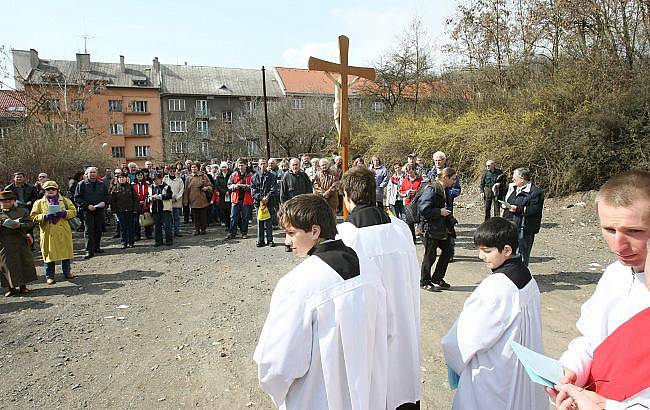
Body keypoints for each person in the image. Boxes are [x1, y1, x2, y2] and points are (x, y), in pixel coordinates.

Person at [253, 194, 389, 409]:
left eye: (291, 233)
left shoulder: (298, 284)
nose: (287, 242)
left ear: (315, 231)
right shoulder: (369, 266)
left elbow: (277, 364)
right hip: (368, 393)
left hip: (319, 398)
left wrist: (278, 393)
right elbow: (384, 331)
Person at [548, 170, 650, 410]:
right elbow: (591, 340)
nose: (619, 245)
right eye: (610, 230)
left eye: (634, 231)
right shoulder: (615, 274)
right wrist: (571, 370)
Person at [337, 167, 421, 409]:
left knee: (374, 386)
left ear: (347, 196)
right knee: (401, 380)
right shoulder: (400, 228)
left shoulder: (345, 236)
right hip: (404, 318)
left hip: (370, 326)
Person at [442, 217, 547, 410]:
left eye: (487, 251)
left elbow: (463, 340)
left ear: (507, 250)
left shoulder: (496, 287)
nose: (481, 256)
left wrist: (454, 361)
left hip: (494, 373)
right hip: (520, 366)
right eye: (480, 249)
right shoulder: (526, 274)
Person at [418, 167, 457, 291]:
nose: (454, 181)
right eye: (453, 178)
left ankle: (437, 278)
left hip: (441, 228)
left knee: (448, 251)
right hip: (430, 228)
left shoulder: (445, 189)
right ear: (445, 177)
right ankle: (425, 281)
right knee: (430, 255)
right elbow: (423, 208)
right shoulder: (432, 189)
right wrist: (439, 212)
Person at [30, 181, 77, 283]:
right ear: (44, 191)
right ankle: (49, 276)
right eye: (48, 189)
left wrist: (64, 213)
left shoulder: (64, 200)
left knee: (65, 254)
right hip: (48, 232)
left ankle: (67, 272)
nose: (51, 191)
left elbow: (74, 211)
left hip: (63, 231)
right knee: (49, 255)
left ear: (57, 190)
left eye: (53, 189)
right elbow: (33, 217)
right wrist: (44, 216)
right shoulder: (38, 203)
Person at [502, 167, 544, 266]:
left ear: (522, 179)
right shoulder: (514, 188)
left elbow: (534, 209)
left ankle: (522, 274)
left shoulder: (536, 192)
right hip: (513, 224)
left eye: (515, 178)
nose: (513, 180)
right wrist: (506, 205)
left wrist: (517, 209)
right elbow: (510, 201)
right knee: (510, 249)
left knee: (523, 252)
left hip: (525, 226)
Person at [0, 190, 37, 296]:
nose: (6, 203)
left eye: (8, 201)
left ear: (13, 201)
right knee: (6, 265)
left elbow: (30, 224)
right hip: (3, 242)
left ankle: (23, 286)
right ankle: (10, 288)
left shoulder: (22, 211)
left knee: (22, 263)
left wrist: (20, 225)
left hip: (19, 240)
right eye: (3, 201)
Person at [74, 166, 109, 259]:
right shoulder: (81, 184)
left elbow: (107, 196)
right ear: (87, 174)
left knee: (98, 229)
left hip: (99, 210)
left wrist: (104, 202)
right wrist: (87, 205)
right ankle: (89, 250)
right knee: (89, 230)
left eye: (94, 172)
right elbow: (77, 198)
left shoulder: (101, 184)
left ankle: (97, 247)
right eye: (91, 172)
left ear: (97, 174)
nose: (93, 174)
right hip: (87, 211)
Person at [251, 158, 277, 247]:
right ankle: (260, 240)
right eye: (261, 164)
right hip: (259, 203)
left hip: (269, 202)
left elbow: (274, 188)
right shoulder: (254, 177)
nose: (263, 165)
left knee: (269, 222)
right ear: (258, 165)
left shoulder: (272, 176)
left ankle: (270, 240)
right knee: (260, 222)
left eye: (264, 163)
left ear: (267, 165)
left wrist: (267, 197)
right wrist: (261, 198)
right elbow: (253, 191)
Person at [110, 173, 138, 249]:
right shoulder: (115, 188)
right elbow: (112, 201)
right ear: (118, 179)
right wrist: (114, 211)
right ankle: (124, 242)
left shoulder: (130, 187)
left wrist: (135, 209)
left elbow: (135, 199)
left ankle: (131, 242)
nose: (122, 179)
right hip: (120, 211)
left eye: (123, 177)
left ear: (126, 178)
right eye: (120, 178)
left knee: (130, 227)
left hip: (130, 210)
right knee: (122, 227)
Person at [183, 162, 212, 235]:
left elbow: (210, 186)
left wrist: (207, 188)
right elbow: (186, 190)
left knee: (203, 215)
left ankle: (203, 229)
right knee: (195, 216)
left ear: (198, 168)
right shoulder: (188, 178)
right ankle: (197, 229)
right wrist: (186, 200)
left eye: (195, 167)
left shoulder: (203, 176)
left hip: (203, 199)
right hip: (193, 199)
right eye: (192, 167)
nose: (193, 169)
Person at [227, 160, 253, 240]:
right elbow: (229, 185)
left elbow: (253, 186)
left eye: (242, 165)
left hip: (246, 199)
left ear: (246, 165)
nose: (241, 167)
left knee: (245, 217)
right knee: (233, 217)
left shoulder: (250, 175)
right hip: (236, 199)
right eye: (239, 165)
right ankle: (232, 233)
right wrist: (235, 186)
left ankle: (244, 232)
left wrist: (245, 186)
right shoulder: (234, 174)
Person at [148, 172, 173, 247]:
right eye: (153, 180)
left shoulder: (166, 186)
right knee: (157, 227)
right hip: (155, 209)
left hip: (165, 209)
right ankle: (158, 241)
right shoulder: (150, 187)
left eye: (156, 179)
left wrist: (159, 196)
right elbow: (148, 196)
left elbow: (169, 195)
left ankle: (169, 241)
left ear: (161, 179)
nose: (155, 181)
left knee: (167, 226)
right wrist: (150, 199)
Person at [400, 164, 423, 243]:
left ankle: (424, 239)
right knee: (409, 222)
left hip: (418, 203)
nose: (409, 173)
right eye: (407, 171)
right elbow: (400, 191)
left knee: (420, 221)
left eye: (411, 171)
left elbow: (424, 190)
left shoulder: (420, 179)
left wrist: (416, 192)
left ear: (414, 170)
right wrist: (406, 192)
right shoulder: (405, 180)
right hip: (408, 203)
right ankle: (412, 240)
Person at [163, 167, 184, 237]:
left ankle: (177, 231)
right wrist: (169, 197)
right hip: (168, 200)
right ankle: (170, 232)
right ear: (168, 171)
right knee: (169, 218)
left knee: (177, 217)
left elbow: (181, 190)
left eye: (173, 171)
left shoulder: (179, 180)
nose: (172, 172)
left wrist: (176, 198)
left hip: (177, 200)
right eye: (170, 171)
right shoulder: (165, 179)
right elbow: (163, 189)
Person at [132, 171, 152, 241]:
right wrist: (137, 201)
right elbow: (131, 196)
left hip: (146, 204)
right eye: (138, 175)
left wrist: (146, 200)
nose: (139, 176)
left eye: (141, 175)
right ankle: (137, 235)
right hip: (136, 205)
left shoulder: (147, 184)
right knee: (135, 221)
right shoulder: (132, 185)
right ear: (136, 176)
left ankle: (148, 234)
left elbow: (150, 193)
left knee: (147, 218)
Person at [214, 162, 232, 228]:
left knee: (230, 210)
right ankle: (227, 224)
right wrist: (224, 192)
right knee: (224, 210)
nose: (224, 169)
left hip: (230, 194)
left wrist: (229, 191)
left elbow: (232, 183)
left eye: (225, 167)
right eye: (222, 167)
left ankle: (231, 226)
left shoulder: (231, 174)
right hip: (222, 195)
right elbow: (217, 186)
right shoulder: (219, 176)